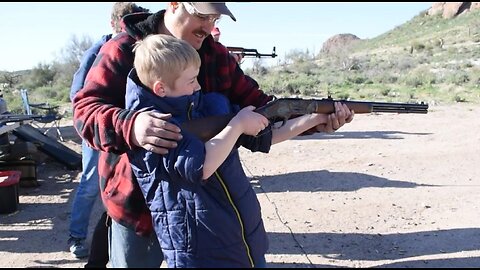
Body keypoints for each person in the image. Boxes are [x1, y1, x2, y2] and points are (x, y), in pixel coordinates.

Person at [72, 2, 354, 267]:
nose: (208, 26)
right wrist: (131, 125)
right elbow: (85, 110)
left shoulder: (214, 55)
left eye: (214, 18)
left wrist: (318, 120)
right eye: (202, 15)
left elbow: (261, 109)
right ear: (174, 3)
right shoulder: (123, 49)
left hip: (202, 218)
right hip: (136, 205)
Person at [125, 33, 340, 267]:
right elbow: (201, 167)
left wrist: (315, 118)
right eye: (191, 81)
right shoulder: (155, 130)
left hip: (241, 241)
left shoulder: (207, 106)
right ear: (161, 88)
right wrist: (236, 125)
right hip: (201, 255)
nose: (199, 86)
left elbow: (265, 134)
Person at [67, 2, 152, 266]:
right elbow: (79, 98)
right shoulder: (101, 50)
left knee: (116, 197)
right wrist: (110, 122)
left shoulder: (140, 48)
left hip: (123, 133)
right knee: (91, 185)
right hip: (100, 132)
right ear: (115, 23)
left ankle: (97, 257)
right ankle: (76, 237)